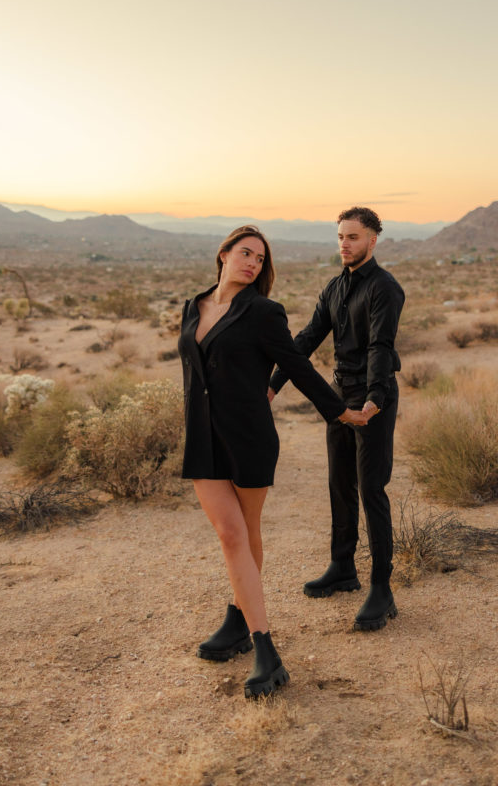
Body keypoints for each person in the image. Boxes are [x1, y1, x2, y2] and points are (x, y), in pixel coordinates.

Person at [178, 225, 368, 699]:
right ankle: (243, 625)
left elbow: (298, 365)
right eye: (245, 253)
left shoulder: (263, 312)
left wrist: (340, 410)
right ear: (223, 254)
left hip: (248, 438)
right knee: (230, 534)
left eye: (260, 260)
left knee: (243, 532)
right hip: (203, 438)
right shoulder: (193, 306)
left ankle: (260, 644)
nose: (252, 264)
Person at [269, 207, 405, 631]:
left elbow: (380, 346)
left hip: (372, 397)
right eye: (341, 237)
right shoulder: (334, 287)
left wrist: (376, 397)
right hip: (338, 395)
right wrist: (274, 383)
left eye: (354, 237)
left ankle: (381, 589)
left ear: (373, 241)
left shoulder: (385, 288)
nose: (345, 244)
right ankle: (342, 568)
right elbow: (308, 338)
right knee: (339, 485)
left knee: (371, 488)